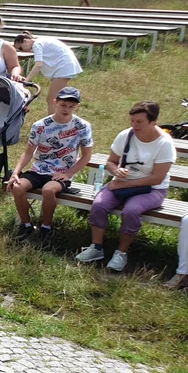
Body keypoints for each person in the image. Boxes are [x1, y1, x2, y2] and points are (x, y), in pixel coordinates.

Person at [76, 101, 175, 273]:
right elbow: (111, 162)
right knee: (99, 204)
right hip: (121, 184)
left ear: (154, 122)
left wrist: (122, 183)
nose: (134, 125)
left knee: (131, 211)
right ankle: (96, 248)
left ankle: (121, 253)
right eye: (132, 121)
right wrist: (116, 170)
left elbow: (157, 178)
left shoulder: (164, 143)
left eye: (139, 122)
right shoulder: (126, 135)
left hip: (152, 189)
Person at [7, 87, 92, 245]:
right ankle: (26, 226)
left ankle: (46, 227)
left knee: (48, 190)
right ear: (55, 103)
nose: (66, 109)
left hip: (62, 172)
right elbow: (28, 152)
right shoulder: (40, 125)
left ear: (77, 107)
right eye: (63, 105)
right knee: (18, 187)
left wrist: (68, 174)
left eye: (71, 106)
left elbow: (87, 155)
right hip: (39, 169)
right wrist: (16, 172)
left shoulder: (82, 126)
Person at [13, 31, 82, 104]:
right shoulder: (41, 41)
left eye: (20, 48)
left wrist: (26, 82)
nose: (23, 51)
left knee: (52, 100)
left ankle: (54, 115)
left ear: (25, 41)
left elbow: (38, 65)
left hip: (63, 68)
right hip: (65, 67)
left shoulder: (37, 44)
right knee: (55, 99)